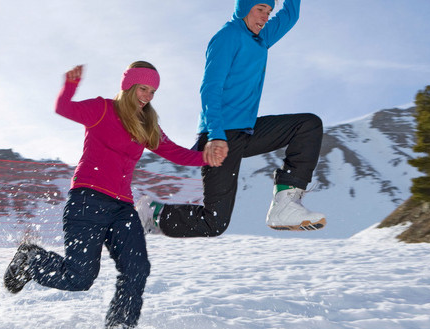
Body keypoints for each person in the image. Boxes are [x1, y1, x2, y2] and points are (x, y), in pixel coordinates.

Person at [3, 61, 222, 329]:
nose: (148, 95)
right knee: (80, 277)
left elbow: (175, 153)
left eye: (153, 91)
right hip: (87, 201)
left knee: (137, 268)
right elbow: (64, 108)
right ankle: (32, 261)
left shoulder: (147, 124)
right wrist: (70, 85)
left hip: (122, 208)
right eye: (143, 88)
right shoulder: (102, 109)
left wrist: (207, 156)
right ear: (129, 86)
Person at [136, 0, 325, 237]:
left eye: (268, 12)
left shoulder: (261, 39)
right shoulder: (227, 36)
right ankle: (152, 214)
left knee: (307, 125)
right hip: (220, 135)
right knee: (214, 223)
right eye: (260, 10)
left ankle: (285, 205)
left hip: (246, 131)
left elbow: (290, 15)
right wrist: (215, 134)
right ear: (244, 9)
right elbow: (210, 88)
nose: (265, 17)